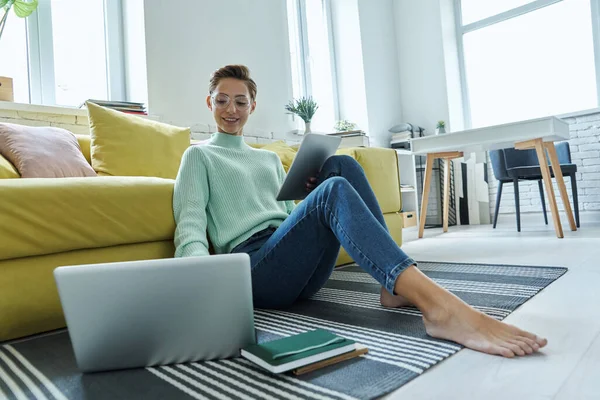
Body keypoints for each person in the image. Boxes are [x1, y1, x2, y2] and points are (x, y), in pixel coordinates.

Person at [173, 64, 547, 358]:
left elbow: (288, 217)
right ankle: (440, 309)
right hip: (252, 271)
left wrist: (307, 200)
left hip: (288, 264)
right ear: (210, 103)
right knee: (333, 189)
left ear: (252, 106)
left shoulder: (268, 159)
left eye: (240, 101)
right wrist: (205, 292)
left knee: (342, 168)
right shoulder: (199, 155)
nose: (231, 109)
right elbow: (190, 226)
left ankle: (391, 286)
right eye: (222, 100)